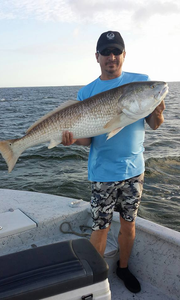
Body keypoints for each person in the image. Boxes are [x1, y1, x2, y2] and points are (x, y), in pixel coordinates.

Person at [62, 31, 165, 293]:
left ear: (124, 55)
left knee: (129, 225)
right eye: (106, 52)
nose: (111, 57)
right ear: (96, 57)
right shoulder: (87, 92)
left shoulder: (141, 83)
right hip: (102, 172)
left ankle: (123, 267)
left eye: (116, 51)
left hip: (134, 171)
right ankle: (96, 280)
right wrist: (72, 140)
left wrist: (159, 113)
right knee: (101, 227)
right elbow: (88, 140)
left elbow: (153, 124)